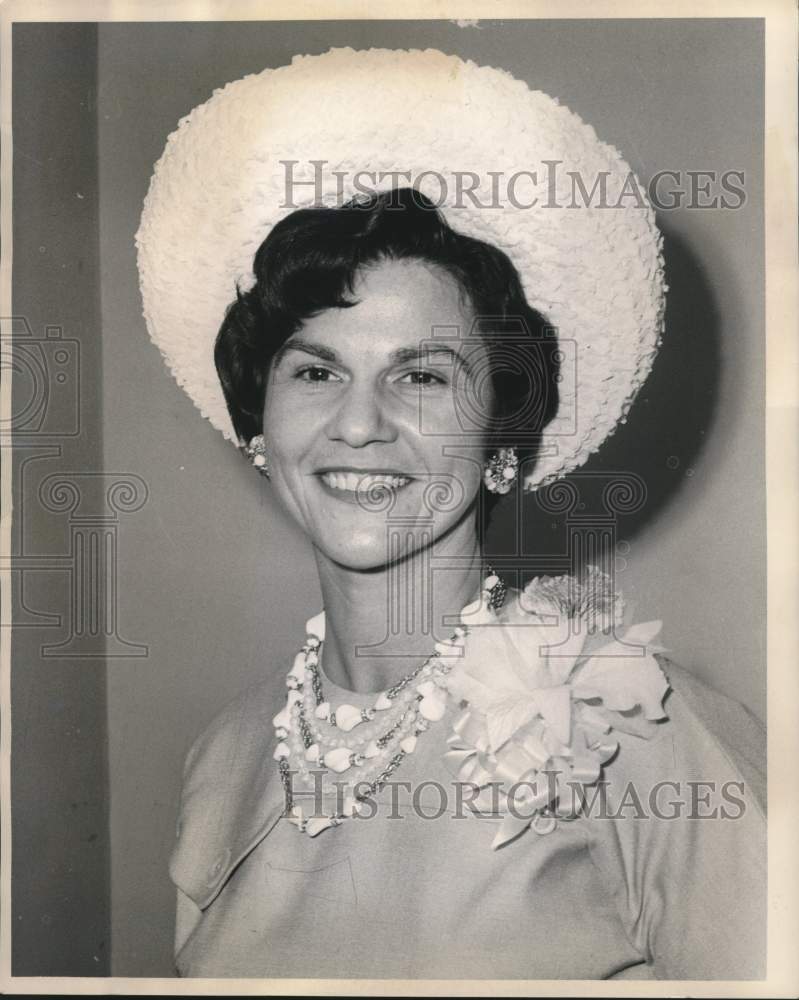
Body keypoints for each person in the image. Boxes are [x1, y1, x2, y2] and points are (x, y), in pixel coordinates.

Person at [136, 48, 766, 980]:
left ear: (502, 438)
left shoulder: (637, 726)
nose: (357, 423)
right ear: (260, 427)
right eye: (314, 371)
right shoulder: (224, 753)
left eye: (422, 376)